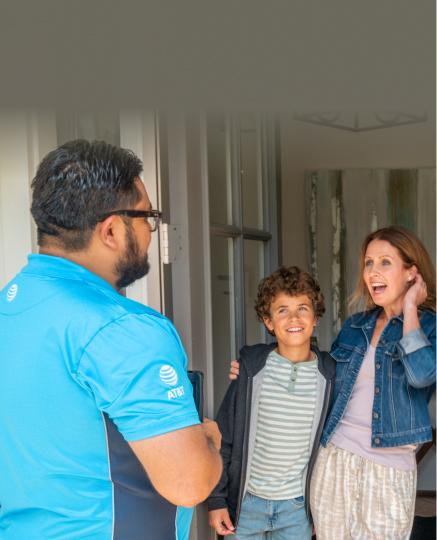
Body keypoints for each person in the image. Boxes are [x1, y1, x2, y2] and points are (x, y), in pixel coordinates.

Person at [0, 139, 222, 540]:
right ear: (112, 230)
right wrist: (208, 439)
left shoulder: (9, 308)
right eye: (146, 217)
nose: (150, 231)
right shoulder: (125, 329)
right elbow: (189, 482)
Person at [230, 226, 436, 540]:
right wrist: (255, 365)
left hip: (389, 466)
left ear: (411, 273)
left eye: (384, 262)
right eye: (368, 263)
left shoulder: (429, 326)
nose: (372, 272)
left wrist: (409, 310)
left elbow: (422, 375)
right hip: (335, 455)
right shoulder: (357, 325)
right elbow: (320, 368)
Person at [207, 266, 336, 539]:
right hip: (245, 505)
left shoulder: (330, 375)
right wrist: (217, 500)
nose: (294, 318)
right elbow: (223, 439)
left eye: (303, 308)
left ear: (315, 318)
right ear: (268, 321)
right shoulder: (252, 370)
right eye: (282, 310)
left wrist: (321, 510)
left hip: (297, 508)